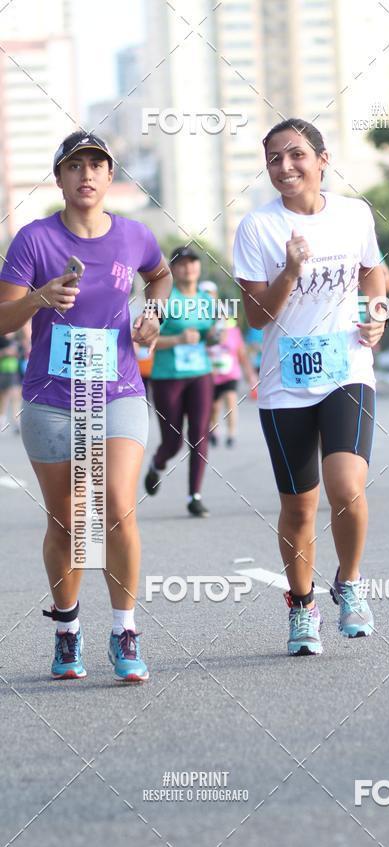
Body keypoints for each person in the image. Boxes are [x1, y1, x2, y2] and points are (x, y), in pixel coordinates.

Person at [0, 130, 172, 681]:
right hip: (51, 399)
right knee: (70, 519)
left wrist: (153, 314)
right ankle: (67, 628)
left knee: (117, 504)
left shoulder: (134, 236)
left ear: (109, 177)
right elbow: (3, 318)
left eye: (98, 165)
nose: (88, 175)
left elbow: (160, 274)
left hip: (117, 390)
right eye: (76, 166)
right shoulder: (33, 240)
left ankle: (125, 630)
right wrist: (39, 298)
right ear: (60, 178)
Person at [233, 117, 386, 656]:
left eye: (296, 155)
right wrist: (291, 271)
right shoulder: (257, 228)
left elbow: (373, 272)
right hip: (284, 385)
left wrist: (378, 311)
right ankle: (302, 607)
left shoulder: (354, 214)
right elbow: (254, 315)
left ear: (323, 160)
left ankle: (349, 581)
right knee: (299, 508)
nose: (285, 166)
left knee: (346, 488)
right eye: (274, 158)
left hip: (347, 369)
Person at [144, 246, 214, 517]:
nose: (189, 268)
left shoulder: (207, 300)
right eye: (182, 264)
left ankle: (194, 496)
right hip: (167, 376)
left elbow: (209, 334)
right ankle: (157, 464)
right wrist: (177, 340)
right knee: (172, 441)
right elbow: (145, 339)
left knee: (199, 435)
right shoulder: (161, 299)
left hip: (200, 374)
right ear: (173, 269)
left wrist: (213, 338)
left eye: (193, 263)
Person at [208, 313, 258, 447]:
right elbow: (204, 349)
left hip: (231, 374)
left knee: (231, 401)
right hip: (213, 374)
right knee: (215, 405)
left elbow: (241, 354)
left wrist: (250, 375)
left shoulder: (234, 332)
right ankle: (214, 430)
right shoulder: (209, 330)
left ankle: (231, 434)